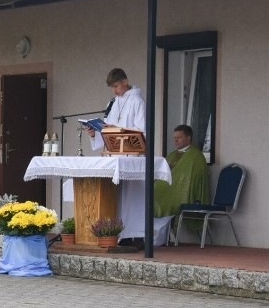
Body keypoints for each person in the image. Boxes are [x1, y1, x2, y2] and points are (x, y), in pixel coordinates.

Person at [86, 68, 147, 246]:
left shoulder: (137, 101)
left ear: (125, 81)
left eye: (116, 86)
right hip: (113, 156)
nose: (115, 90)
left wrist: (116, 129)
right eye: (112, 87)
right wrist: (93, 133)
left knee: (130, 198)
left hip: (130, 156)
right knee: (112, 195)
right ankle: (112, 233)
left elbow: (141, 130)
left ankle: (133, 235)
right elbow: (105, 129)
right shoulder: (112, 103)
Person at [154, 124, 210, 220]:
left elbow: (192, 179)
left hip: (179, 192)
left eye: (179, 137)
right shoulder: (172, 155)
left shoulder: (196, 156)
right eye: (175, 138)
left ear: (188, 138)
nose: (175, 140)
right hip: (167, 189)